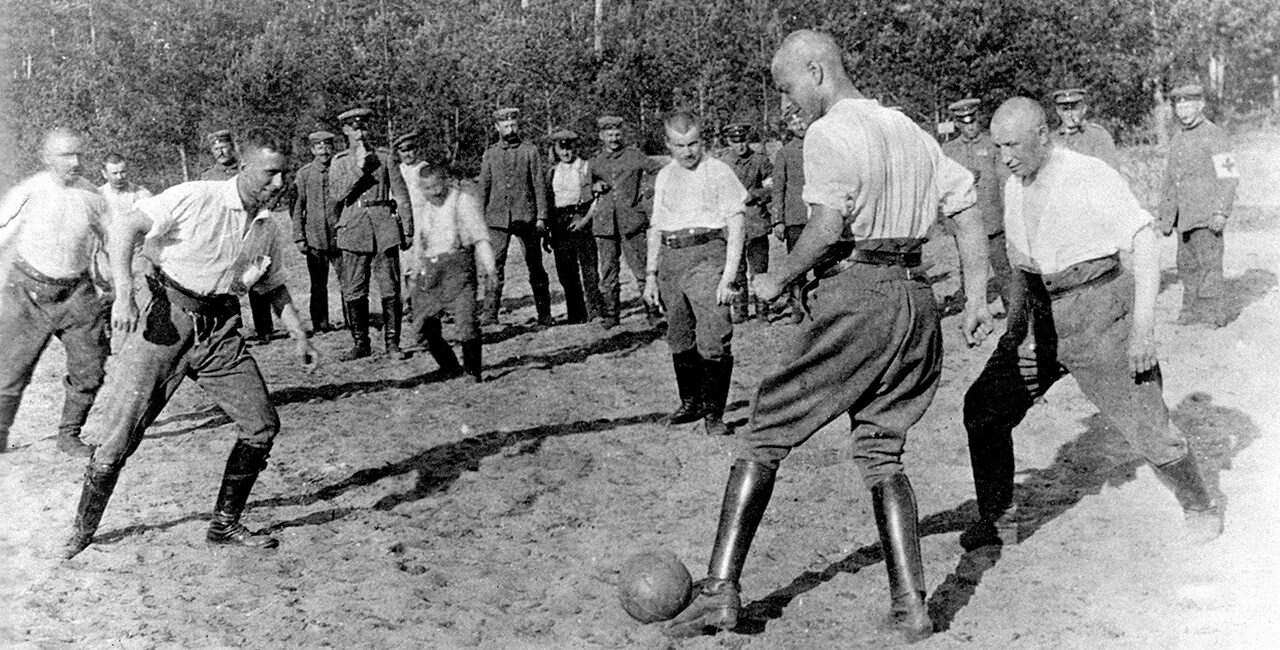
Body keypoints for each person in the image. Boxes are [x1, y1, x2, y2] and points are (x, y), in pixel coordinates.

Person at [665, 30, 992, 642]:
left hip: (858, 294)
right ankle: (912, 606)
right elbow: (967, 208)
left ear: (817, 71)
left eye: (790, 87)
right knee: (880, 451)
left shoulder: (829, 132)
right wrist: (974, 297)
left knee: (765, 428)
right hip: (916, 300)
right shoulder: (909, 129)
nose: (791, 102)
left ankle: (719, 591)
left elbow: (827, 224)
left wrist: (778, 277)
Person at [961, 97, 1223, 556]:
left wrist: (1143, 329)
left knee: (1148, 425)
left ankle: (1200, 505)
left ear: (1043, 134)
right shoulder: (1015, 183)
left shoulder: (1088, 174)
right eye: (999, 146)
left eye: (1013, 146)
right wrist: (1012, 326)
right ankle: (1000, 519)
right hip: (1040, 319)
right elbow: (1023, 266)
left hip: (1099, 313)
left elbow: (1143, 242)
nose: (1004, 157)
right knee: (984, 408)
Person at [61, 126, 320, 559]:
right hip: (166, 321)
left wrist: (299, 333)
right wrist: (124, 294)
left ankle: (224, 525)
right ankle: (82, 531)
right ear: (244, 166)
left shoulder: (267, 225)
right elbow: (127, 227)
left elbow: (271, 285)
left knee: (261, 425)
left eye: (283, 175)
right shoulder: (198, 196)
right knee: (117, 438)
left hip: (219, 331)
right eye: (270, 174)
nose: (278, 184)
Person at [0, 128, 111, 457]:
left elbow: (114, 240)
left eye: (78, 154)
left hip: (77, 294)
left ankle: (69, 435)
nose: (75, 162)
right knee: (9, 371)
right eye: (66, 155)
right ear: (47, 158)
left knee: (90, 367)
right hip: (27, 293)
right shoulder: (28, 191)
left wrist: (116, 282)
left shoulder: (92, 196)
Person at [643, 112, 746, 438]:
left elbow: (737, 223)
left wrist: (729, 275)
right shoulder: (664, 177)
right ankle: (690, 404)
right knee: (679, 336)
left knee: (714, 337)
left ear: (704, 141)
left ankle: (714, 416)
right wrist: (650, 274)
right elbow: (656, 227)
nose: (687, 152)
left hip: (707, 257)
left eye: (693, 144)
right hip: (671, 261)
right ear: (668, 145)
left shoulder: (718, 172)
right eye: (679, 145)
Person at [330, 106, 412, 360]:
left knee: (390, 287)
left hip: (383, 228)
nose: (360, 133)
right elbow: (337, 194)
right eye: (355, 129)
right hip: (353, 227)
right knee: (355, 288)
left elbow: (401, 195)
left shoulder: (386, 157)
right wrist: (358, 167)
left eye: (364, 127)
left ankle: (392, 344)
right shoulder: (340, 162)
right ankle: (360, 343)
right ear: (345, 131)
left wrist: (407, 229)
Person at [404, 162, 497, 383]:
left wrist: (490, 269)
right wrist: (414, 274)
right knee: (424, 327)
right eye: (425, 189)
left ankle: (473, 372)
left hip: (459, 270)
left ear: (444, 183)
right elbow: (418, 245)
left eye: (435, 187)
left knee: (466, 324)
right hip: (431, 270)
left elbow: (481, 237)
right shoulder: (424, 208)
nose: (432, 193)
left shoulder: (462, 202)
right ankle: (450, 366)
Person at [1157, 83, 1238, 328]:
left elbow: (1229, 176)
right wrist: (1166, 217)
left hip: (1207, 216)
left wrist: (1221, 212)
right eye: (1178, 104)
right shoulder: (1178, 138)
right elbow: (1171, 180)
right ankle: (1191, 311)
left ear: (1200, 105)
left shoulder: (1214, 134)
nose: (1182, 108)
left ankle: (1213, 315)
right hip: (1185, 218)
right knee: (1187, 266)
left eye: (1188, 103)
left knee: (1209, 266)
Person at [478, 107, 553, 327]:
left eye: (513, 125)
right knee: (494, 266)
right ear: (497, 128)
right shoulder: (490, 154)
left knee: (535, 265)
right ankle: (490, 314)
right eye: (506, 126)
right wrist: (478, 220)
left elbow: (539, 185)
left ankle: (545, 315)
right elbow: (483, 187)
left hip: (526, 217)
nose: (510, 129)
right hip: (497, 219)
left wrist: (541, 217)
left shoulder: (530, 151)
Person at [588, 115, 664, 329]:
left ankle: (653, 312)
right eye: (609, 135)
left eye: (617, 134)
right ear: (602, 136)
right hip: (605, 225)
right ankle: (611, 315)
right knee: (608, 272)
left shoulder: (634, 156)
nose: (614, 138)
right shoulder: (594, 162)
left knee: (641, 270)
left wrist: (649, 191)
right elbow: (585, 187)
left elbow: (659, 171)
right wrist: (594, 187)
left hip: (632, 222)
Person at [203, 130, 276, 345]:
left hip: (251, 228)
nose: (221, 152)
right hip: (227, 233)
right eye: (216, 149)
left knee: (257, 274)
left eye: (224, 147)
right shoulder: (208, 176)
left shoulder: (246, 169)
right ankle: (233, 329)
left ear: (232, 147)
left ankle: (264, 327)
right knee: (227, 281)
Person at [942, 98, 1012, 310]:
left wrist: (1008, 216)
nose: (970, 126)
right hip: (965, 224)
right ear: (957, 124)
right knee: (968, 268)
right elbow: (944, 185)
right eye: (964, 122)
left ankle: (1015, 315)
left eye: (973, 121)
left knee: (1002, 269)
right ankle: (972, 313)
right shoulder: (948, 149)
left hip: (992, 219)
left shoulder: (992, 145)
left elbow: (1004, 181)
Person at [547, 128, 604, 323]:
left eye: (569, 148)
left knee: (589, 267)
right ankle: (576, 314)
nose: (566, 153)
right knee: (566, 270)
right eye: (561, 149)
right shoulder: (552, 171)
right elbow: (548, 201)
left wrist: (584, 218)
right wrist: (548, 231)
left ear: (575, 148)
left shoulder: (586, 167)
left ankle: (595, 310)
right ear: (555, 149)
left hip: (582, 218)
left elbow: (597, 195)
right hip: (559, 222)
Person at [720, 122, 773, 322]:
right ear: (728, 142)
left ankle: (762, 311)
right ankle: (741, 311)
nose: (740, 146)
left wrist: (753, 195)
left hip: (756, 222)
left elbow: (771, 187)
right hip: (732, 225)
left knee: (759, 270)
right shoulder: (723, 164)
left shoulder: (760, 161)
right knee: (737, 269)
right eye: (735, 142)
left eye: (743, 140)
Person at [291, 129, 343, 333]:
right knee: (318, 285)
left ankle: (353, 320)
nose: (324, 151)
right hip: (315, 239)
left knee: (348, 283)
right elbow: (297, 207)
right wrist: (299, 236)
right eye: (319, 147)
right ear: (312, 150)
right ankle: (321, 324)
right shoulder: (304, 174)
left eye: (327, 146)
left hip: (340, 236)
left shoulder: (340, 170)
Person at [769, 110, 809, 324]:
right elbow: (778, 188)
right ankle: (797, 308)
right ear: (789, 127)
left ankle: (823, 306)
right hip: (796, 217)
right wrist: (778, 220)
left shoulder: (820, 146)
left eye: (802, 121)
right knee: (796, 266)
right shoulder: (785, 153)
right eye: (795, 123)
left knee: (826, 262)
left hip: (820, 215)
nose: (800, 126)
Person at [1050, 85, 1119, 169]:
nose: (1069, 114)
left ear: (1083, 109)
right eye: (1065, 109)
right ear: (1058, 111)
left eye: (1074, 109)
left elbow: (1111, 173)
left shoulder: (1098, 136)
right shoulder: (1052, 140)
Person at [98, 153, 152, 217]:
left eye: (123, 172)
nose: (119, 177)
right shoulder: (98, 196)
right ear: (104, 174)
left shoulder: (141, 194)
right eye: (114, 173)